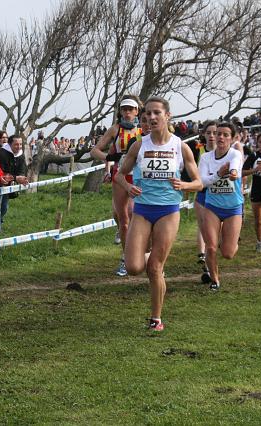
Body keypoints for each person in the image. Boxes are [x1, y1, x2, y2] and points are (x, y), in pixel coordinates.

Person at [116, 96, 202, 332]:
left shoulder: (180, 146)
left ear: (167, 116)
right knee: (134, 267)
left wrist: (184, 186)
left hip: (167, 212)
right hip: (143, 210)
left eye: (156, 113)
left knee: (154, 268)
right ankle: (151, 259)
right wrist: (128, 187)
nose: (152, 118)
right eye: (148, 115)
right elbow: (120, 175)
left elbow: (199, 183)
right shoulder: (139, 145)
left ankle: (156, 318)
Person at [91, 95, 143, 277]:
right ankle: (125, 259)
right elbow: (95, 150)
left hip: (140, 177)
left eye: (131, 109)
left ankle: (144, 253)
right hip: (120, 176)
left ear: (137, 111)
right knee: (124, 220)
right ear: (120, 112)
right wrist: (110, 158)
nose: (127, 113)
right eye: (124, 109)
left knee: (139, 217)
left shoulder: (144, 129)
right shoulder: (115, 129)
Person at [198, 122, 244, 290]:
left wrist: (232, 173)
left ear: (232, 139)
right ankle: (215, 279)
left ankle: (232, 239)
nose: (221, 137)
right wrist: (218, 174)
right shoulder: (205, 158)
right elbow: (202, 182)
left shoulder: (235, 154)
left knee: (228, 253)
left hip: (233, 208)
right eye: (219, 134)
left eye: (225, 135)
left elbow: (234, 169)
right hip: (212, 206)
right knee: (210, 246)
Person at [195, 121, 217, 271]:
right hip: (202, 192)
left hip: (220, 195)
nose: (212, 136)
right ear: (204, 134)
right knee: (203, 225)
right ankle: (203, 255)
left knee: (216, 230)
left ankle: (211, 253)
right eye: (208, 133)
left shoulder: (228, 152)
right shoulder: (198, 149)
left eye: (215, 133)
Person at [0, 134, 29, 224]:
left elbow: (22, 169)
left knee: (4, 206)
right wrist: (16, 178)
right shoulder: (2, 153)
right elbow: (2, 172)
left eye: (20, 144)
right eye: (16, 144)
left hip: (10, 182)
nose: (19, 146)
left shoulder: (21, 154)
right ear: (10, 144)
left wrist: (22, 178)